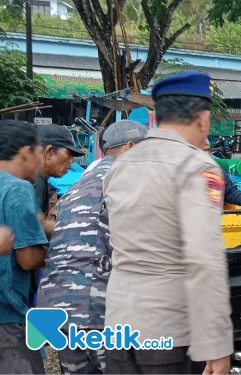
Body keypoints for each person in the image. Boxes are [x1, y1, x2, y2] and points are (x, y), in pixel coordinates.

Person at [102, 71, 233, 375]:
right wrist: (216, 344)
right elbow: (204, 259)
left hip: (119, 324)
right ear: (203, 118)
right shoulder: (195, 166)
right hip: (168, 331)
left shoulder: (121, 165)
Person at [37, 120, 148, 375]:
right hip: (96, 307)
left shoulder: (76, 188)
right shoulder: (128, 181)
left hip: (58, 307)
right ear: (131, 148)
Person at [0, 120, 48, 375]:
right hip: (7, 318)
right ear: (25, 152)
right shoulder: (18, 188)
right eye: (39, 154)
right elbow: (28, 258)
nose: (41, 163)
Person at [35, 124, 85, 237]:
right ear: (49, 152)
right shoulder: (37, 182)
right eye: (69, 154)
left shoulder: (40, 181)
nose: (72, 160)